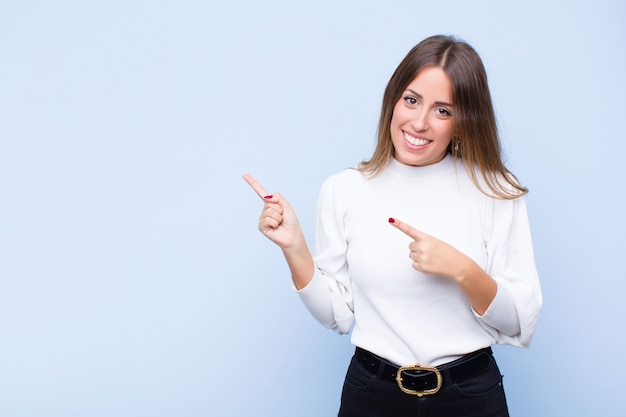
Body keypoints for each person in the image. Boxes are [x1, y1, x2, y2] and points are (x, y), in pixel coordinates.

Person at [243, 34, 542, 417]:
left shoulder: (496, 191)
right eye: (412, 100)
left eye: (443, 110)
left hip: (469, 397)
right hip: (372, 395)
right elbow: (338, 315)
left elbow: (519, 322)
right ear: (393, 100)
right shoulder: (344, 189)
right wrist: (294, 247)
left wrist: (462, 270)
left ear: (465, 120)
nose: (418, 122)